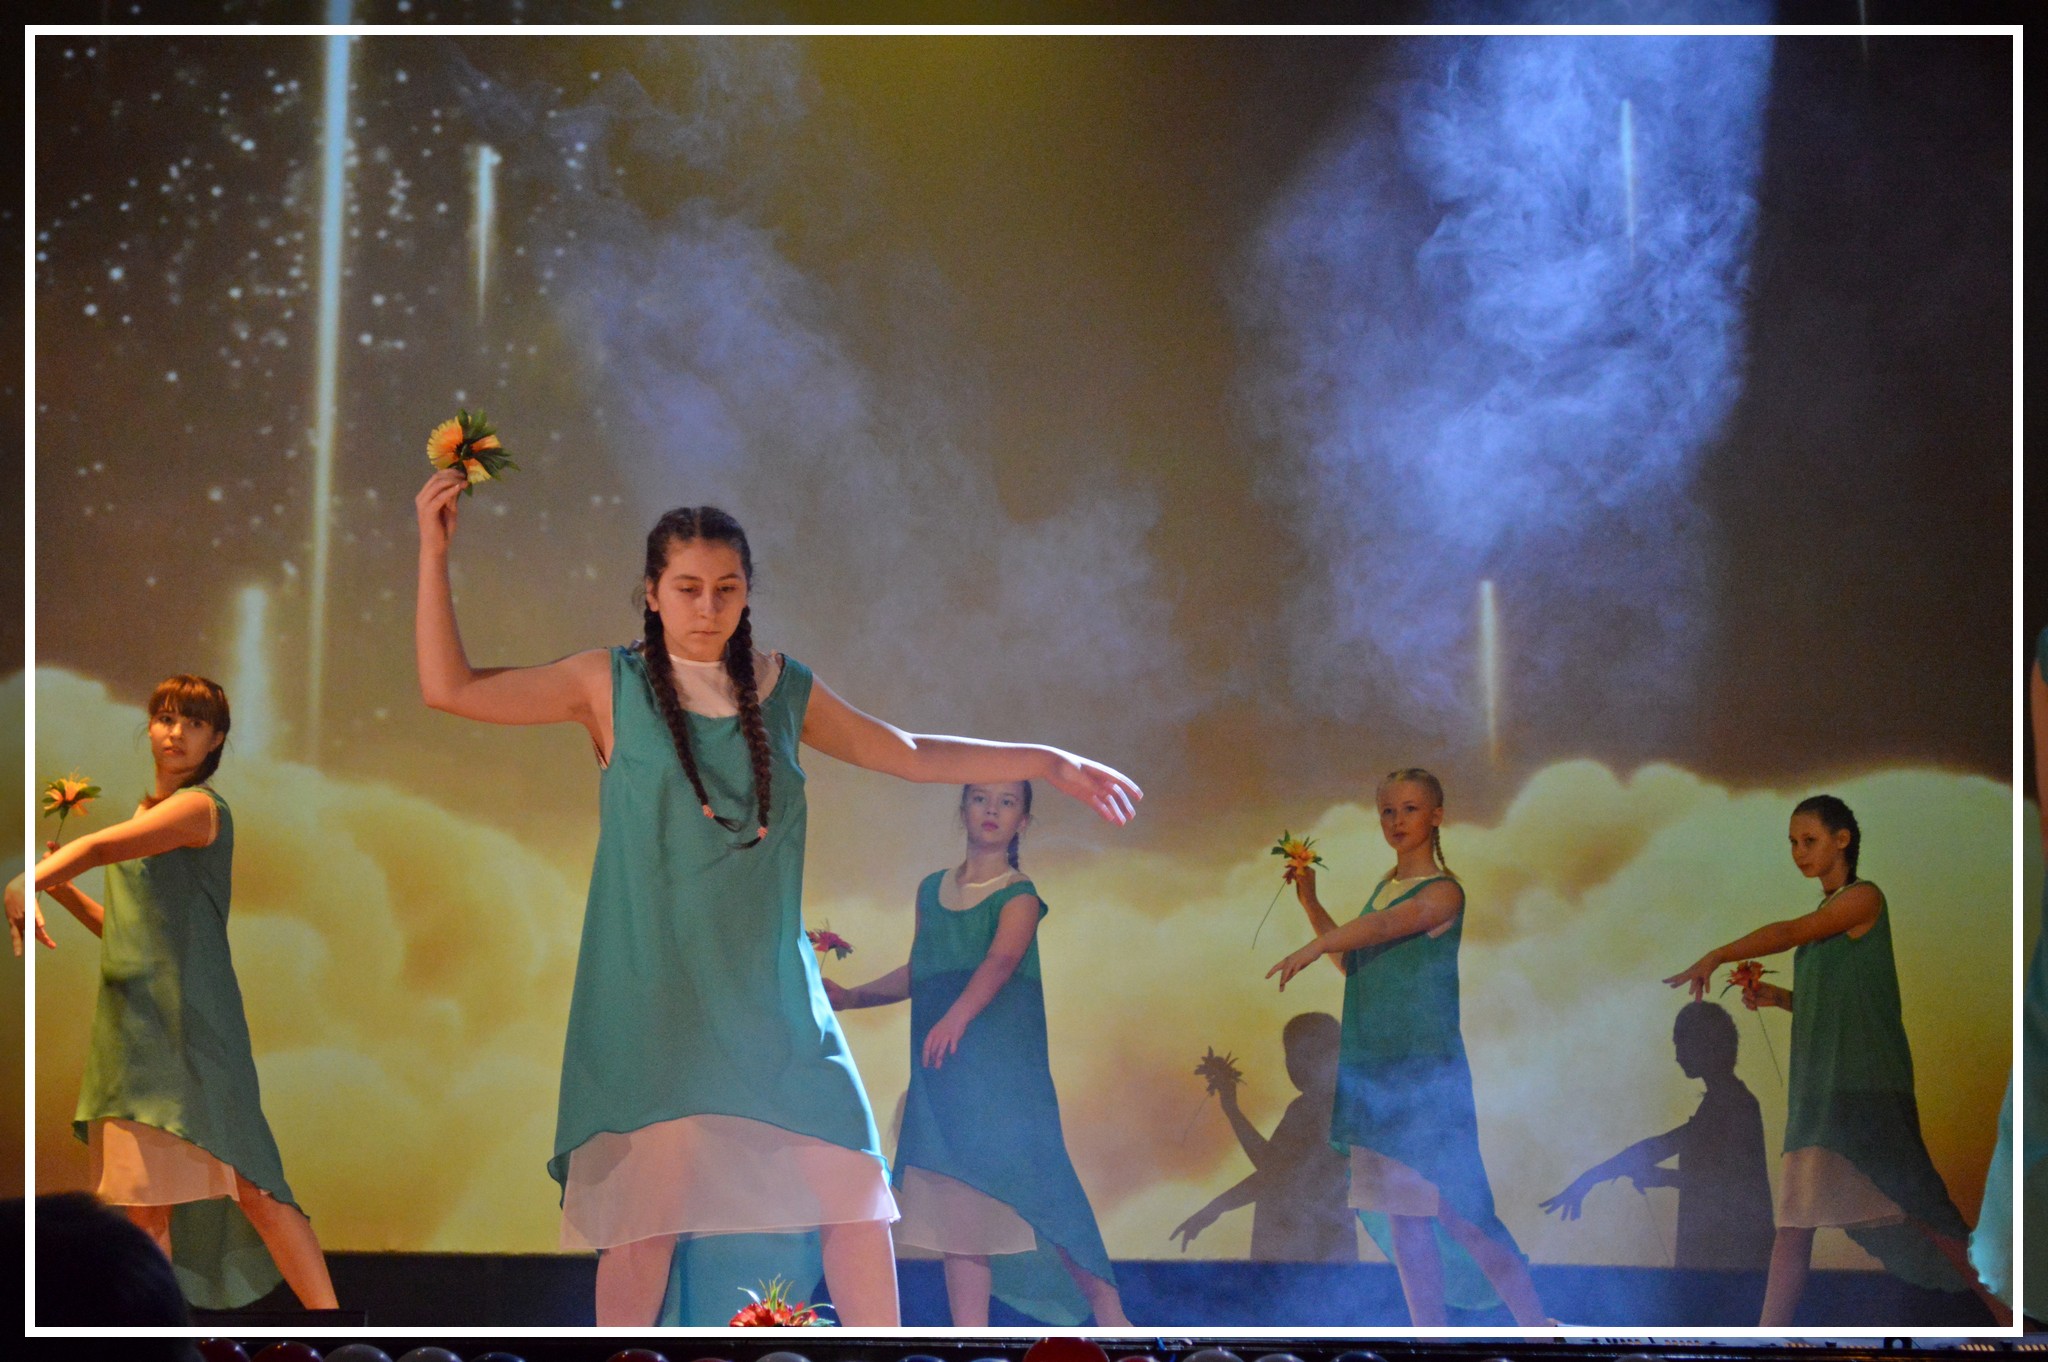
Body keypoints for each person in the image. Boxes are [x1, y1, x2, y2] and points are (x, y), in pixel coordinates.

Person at [412, 470, 1141, 1326]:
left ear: (747, 592)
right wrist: (433, 552)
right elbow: (450, 689)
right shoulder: (607, 683)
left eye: (726, 588)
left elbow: (907, 752)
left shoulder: (783, 689)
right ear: (651, 592)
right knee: (645, 1222)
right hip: (657, 995)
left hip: (773, 999)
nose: (706, 607)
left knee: (854, 1195)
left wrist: (1047, 761)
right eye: (687, 588)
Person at [6, 676, 337, 1313]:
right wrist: (62, 889)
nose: (175, 732)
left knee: (255, 1185)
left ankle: (339, 1331)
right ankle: (155, 1337)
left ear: (216, 740)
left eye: (194, 722)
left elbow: (99, 846)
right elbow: (128, 930)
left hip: (193, 1026)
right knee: (143, 1206)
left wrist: (31, 879)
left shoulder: (198, 809)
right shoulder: (146, 814)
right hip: (136, 1030)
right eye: (165, 718)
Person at [1664, 794, 2009, 1326]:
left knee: (1930, 1218)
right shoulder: (1830, 919)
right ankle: (1767, 1340)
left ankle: (2015, 1321)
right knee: (1794, 1223)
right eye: (1792, 843)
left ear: (1842, 840)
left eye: (1810, 840)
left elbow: (1789, 933)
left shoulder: (1862, 899)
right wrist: (1780, 998)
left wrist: (1718, 954)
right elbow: (1834, 1004)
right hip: (1822, 1097)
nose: (1799, 852)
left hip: (1865, 1089)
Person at [826, 781, 1128, 1326]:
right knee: (959, 1206)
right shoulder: (930, 889)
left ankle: (1114, 1320)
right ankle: (969, 1338)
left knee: (1043, 1189)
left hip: (1003, 1075)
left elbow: (1001, 961)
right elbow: (923, 968)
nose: (992, 810)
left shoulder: (1019, 895)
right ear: (963, 808)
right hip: (947, 1076)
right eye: (981, 798)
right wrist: (851, 998)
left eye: (1007, 802)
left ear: (1023, 822)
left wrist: (957, 1016)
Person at [1267, 768, 1546, 1326]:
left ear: (1436, 816)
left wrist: (1314, 944)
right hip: (1376, 1080)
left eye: (1411, 809)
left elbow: (1386, 926)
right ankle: (1430, 1338)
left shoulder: (1442, 892)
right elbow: (1354, 962)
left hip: (1422, 1079)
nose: (1397, 820)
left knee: (1460, 1211)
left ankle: (1538, 1325)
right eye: (1388, 811)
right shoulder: (1383, 889)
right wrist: (1311, 904)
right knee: (1405, 1219)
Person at [1540, 1001, 1775, 1272]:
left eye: (1681, 1044)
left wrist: (1658, 1177)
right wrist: (1590, 1178)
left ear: (1705, 1045)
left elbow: (1729, 1184)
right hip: (1726, 1257)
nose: (1677, 1056)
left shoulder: (1733, 1104)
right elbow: (1661, 1148)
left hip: (1734, 1259)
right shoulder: (1727, 1101)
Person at [1169, 1013, 1355, 1262]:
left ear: (1334, 1054)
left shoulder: (1326, 1109)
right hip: (1302, 1251)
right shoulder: (1311, 1107)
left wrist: (1232, 1109)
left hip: (1310, 1251)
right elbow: (1276, 1169)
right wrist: (1215, 1208)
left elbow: (1274, 1170)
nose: (1294, 1065)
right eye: (1291, 1054)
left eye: (1308, 1053)